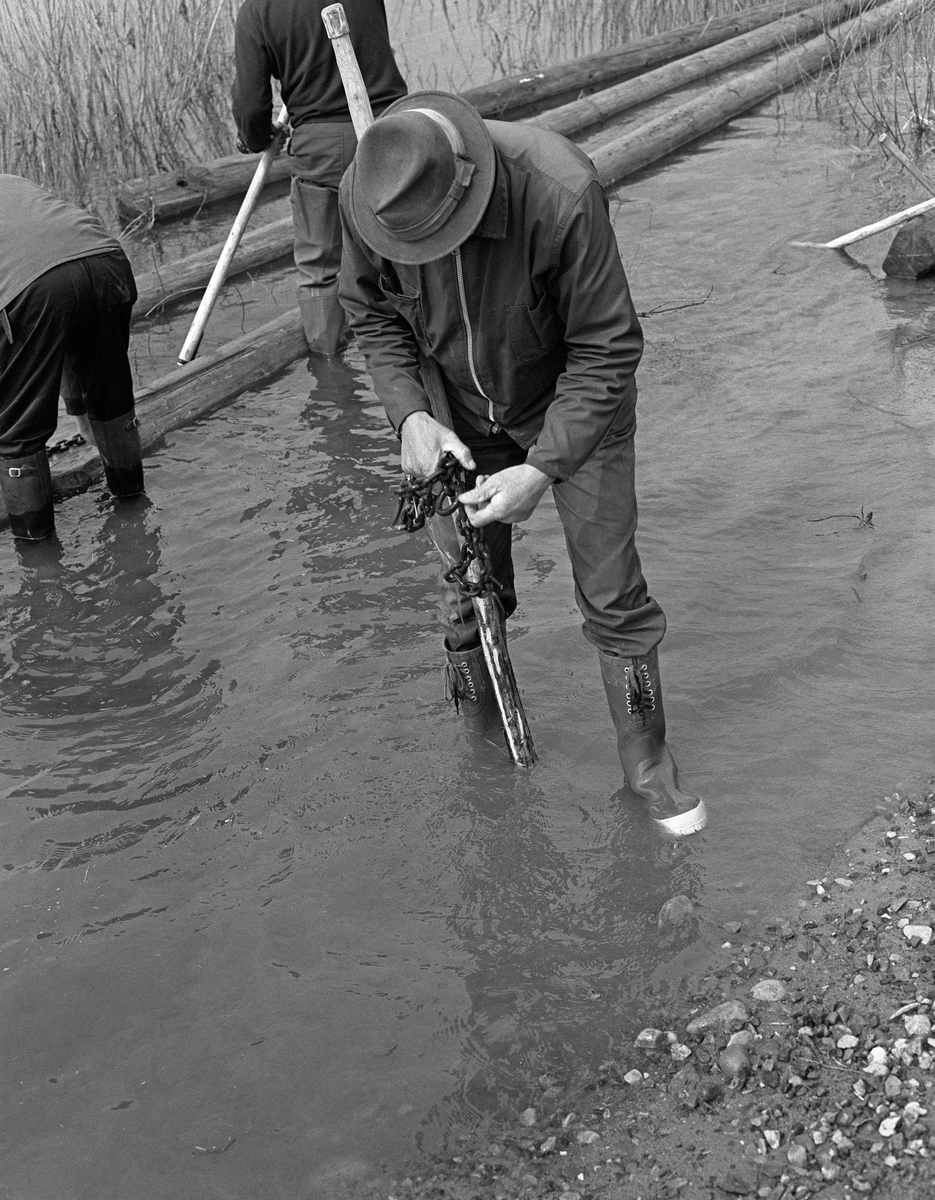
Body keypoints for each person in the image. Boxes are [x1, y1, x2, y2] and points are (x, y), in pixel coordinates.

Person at [337, 92, 707, 839]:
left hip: (571, 401)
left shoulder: (560, 190)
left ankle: (646, 766)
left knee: (612, 595)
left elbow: (608, 348)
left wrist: (542, 468)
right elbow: (371, 314)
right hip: (451, 413)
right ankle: (482, 759)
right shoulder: (368, 191)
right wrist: (409, 414)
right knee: (465, 593)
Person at [231, 0, 406, 358]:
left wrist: (256, 138)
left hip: (325, 148)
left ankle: (333, 382)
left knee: (321, 269)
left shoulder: (258, 9)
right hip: (397, 133)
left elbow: (250, 105)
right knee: (409, 249)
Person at [0, 174, 144, 542]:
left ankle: (38, 554)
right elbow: (66, 302)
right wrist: (79, 410)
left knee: (18, 431)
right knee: (111, 394)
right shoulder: (11, 182)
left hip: (33, 286)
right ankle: (133, 508)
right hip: (107, 262)